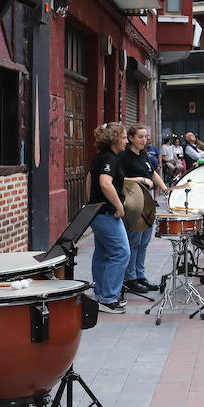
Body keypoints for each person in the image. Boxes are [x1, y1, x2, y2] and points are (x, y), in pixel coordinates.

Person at [119, 124, 170, 296]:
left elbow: (153, 173)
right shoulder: (124, 157)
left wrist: (165, 189)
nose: (144, 140)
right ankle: (130, 278)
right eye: (140, 136)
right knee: (134, 240)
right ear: (131, 138)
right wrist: (139, 179)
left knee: (144, 241)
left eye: (145, 136)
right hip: (133, 201)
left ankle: (140, 276)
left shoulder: (144, 155)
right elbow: (118, 178)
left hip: (148, 201)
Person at [89, 122, 132, 314]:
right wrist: (119, 206)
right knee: (121, 252)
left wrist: (91, 202)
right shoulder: (109, 158)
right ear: (114, 139)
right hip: (107, 214)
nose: (126, 141)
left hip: (97, 212)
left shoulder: (101, 157)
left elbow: (89, 179)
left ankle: (100, 294)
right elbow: (105, 183)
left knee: (103, 253)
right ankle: (108, 298)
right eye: (123, 137)